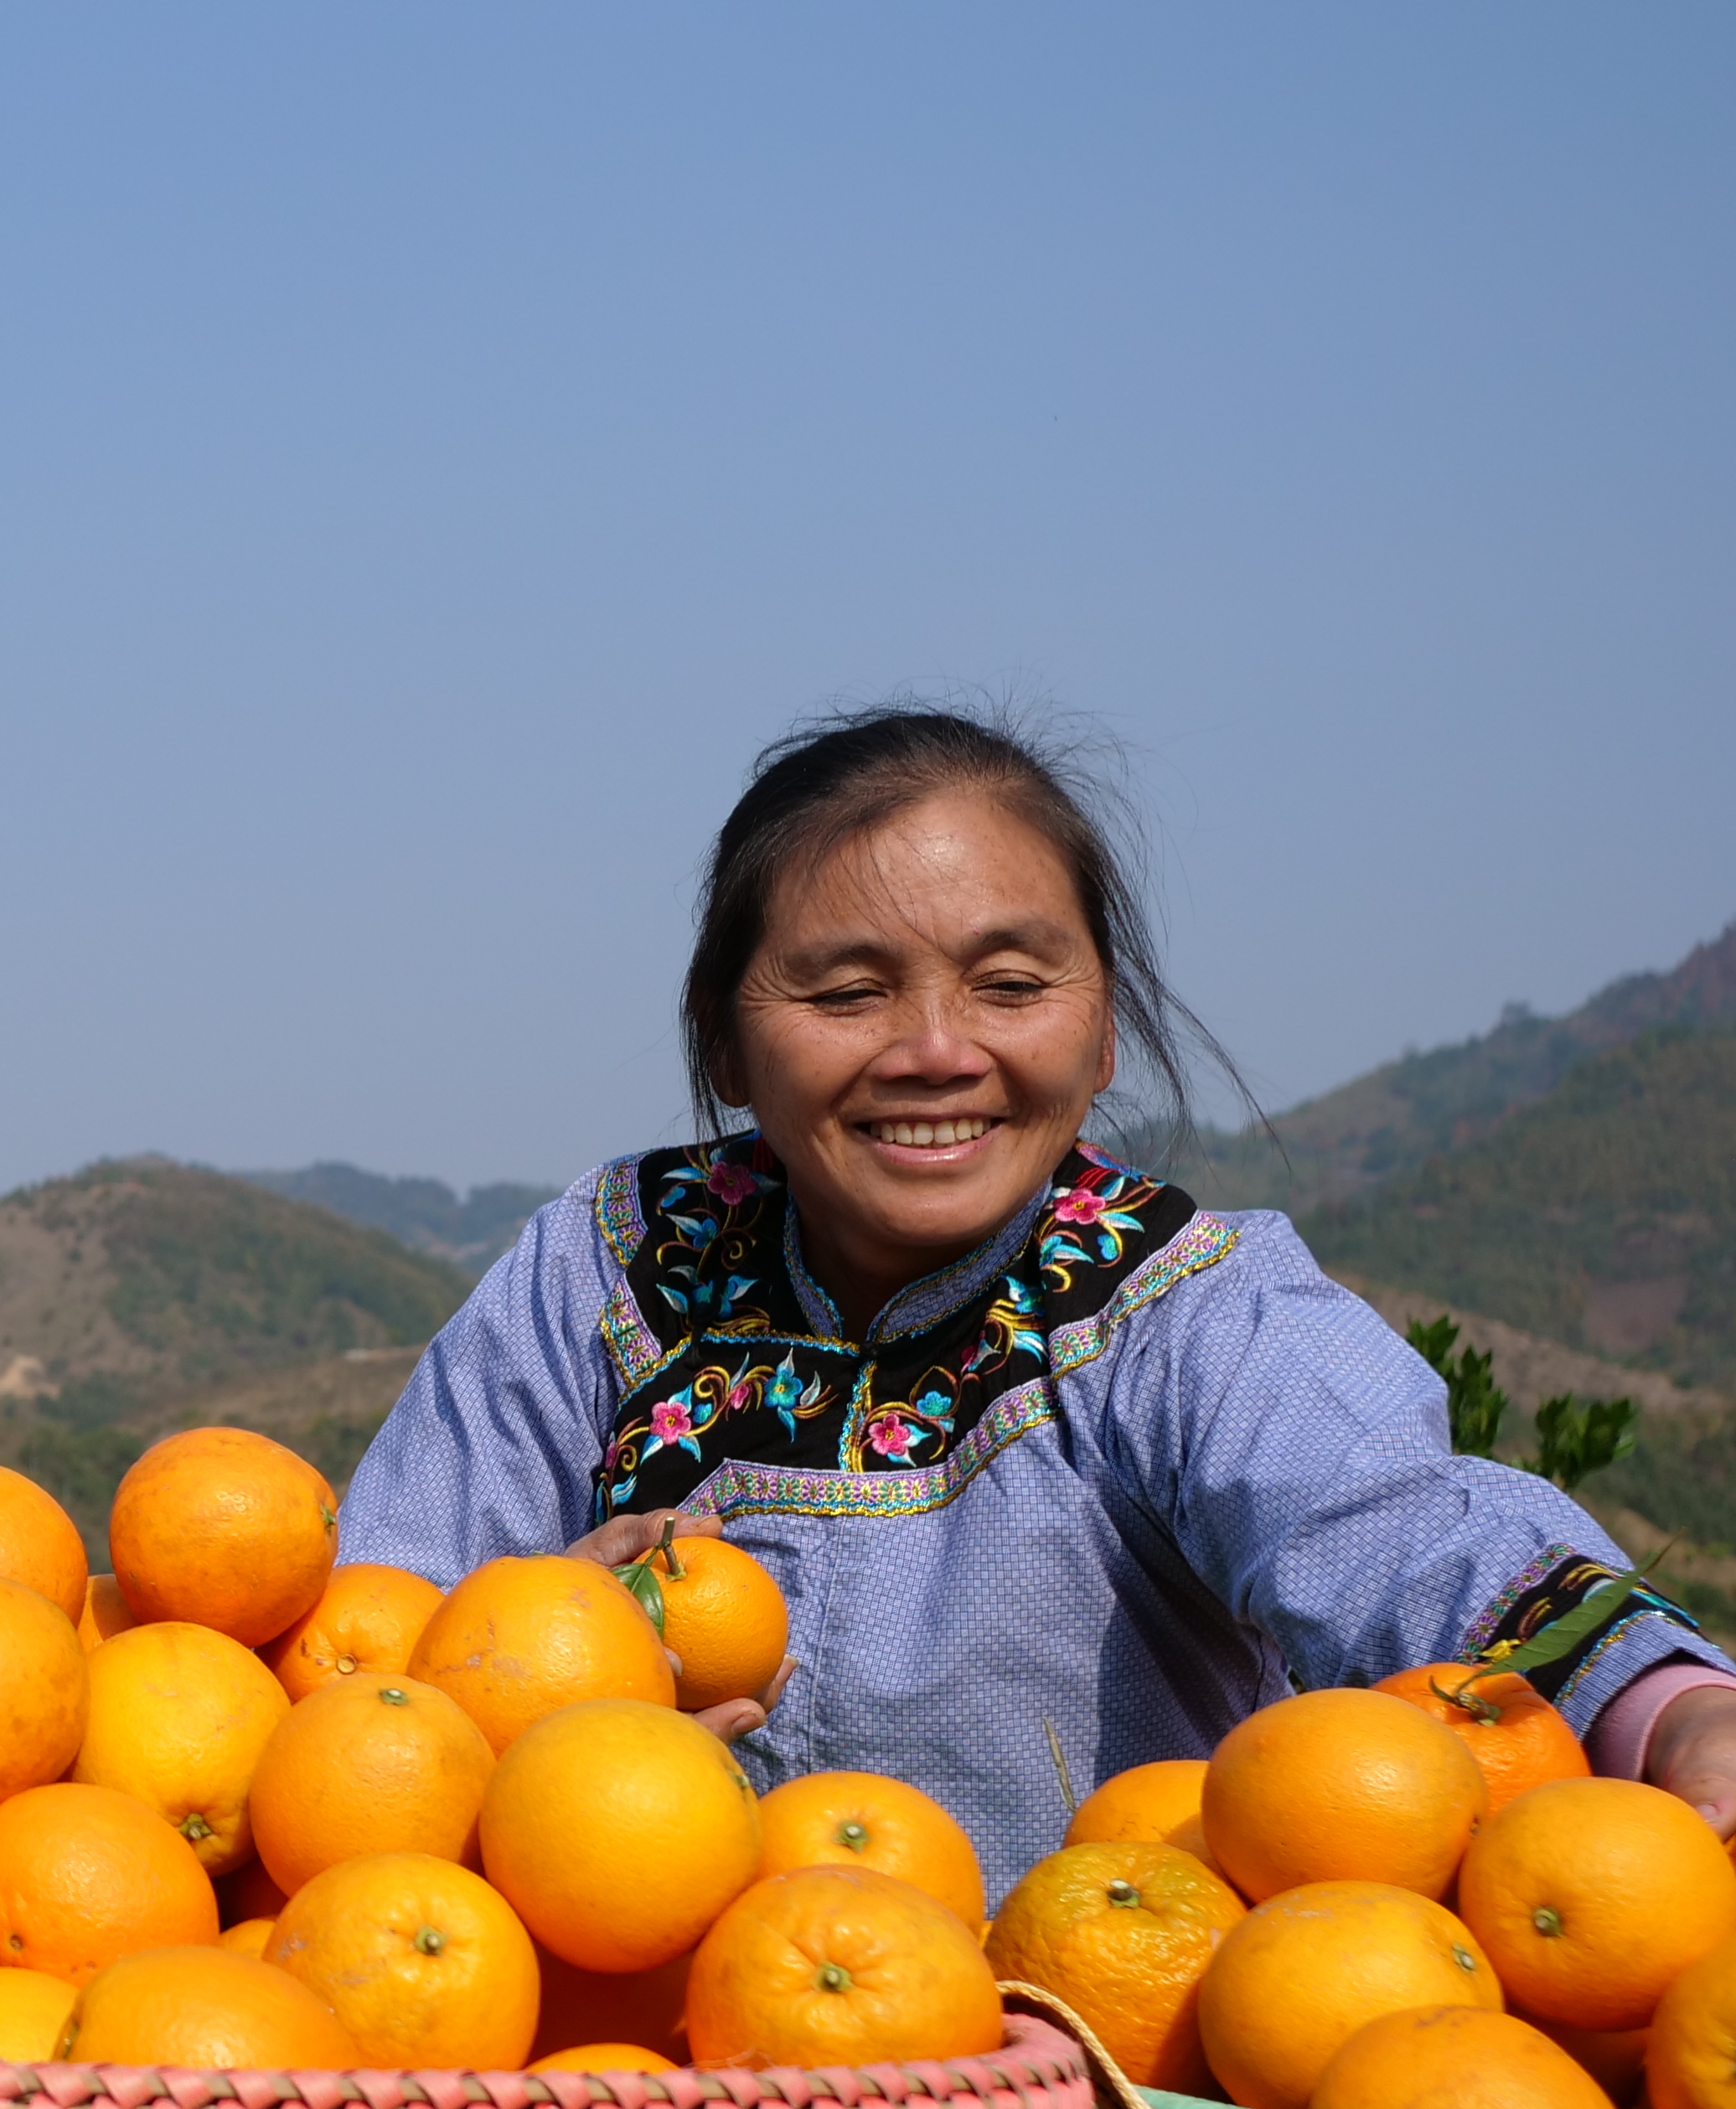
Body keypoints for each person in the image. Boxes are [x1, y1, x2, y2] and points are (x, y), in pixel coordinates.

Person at [339, 708, 1735, 1896]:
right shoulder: (609, 1269)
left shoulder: (1187, 1311)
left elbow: (1397, 1529)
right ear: (723, 1040)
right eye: (847, 992)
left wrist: (1667, 1712)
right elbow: (369, 1661)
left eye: (1010, 985)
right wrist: (527, 1699)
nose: (937, 1051)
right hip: (656, 2085)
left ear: (1104, 1023)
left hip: (1099, 2073)